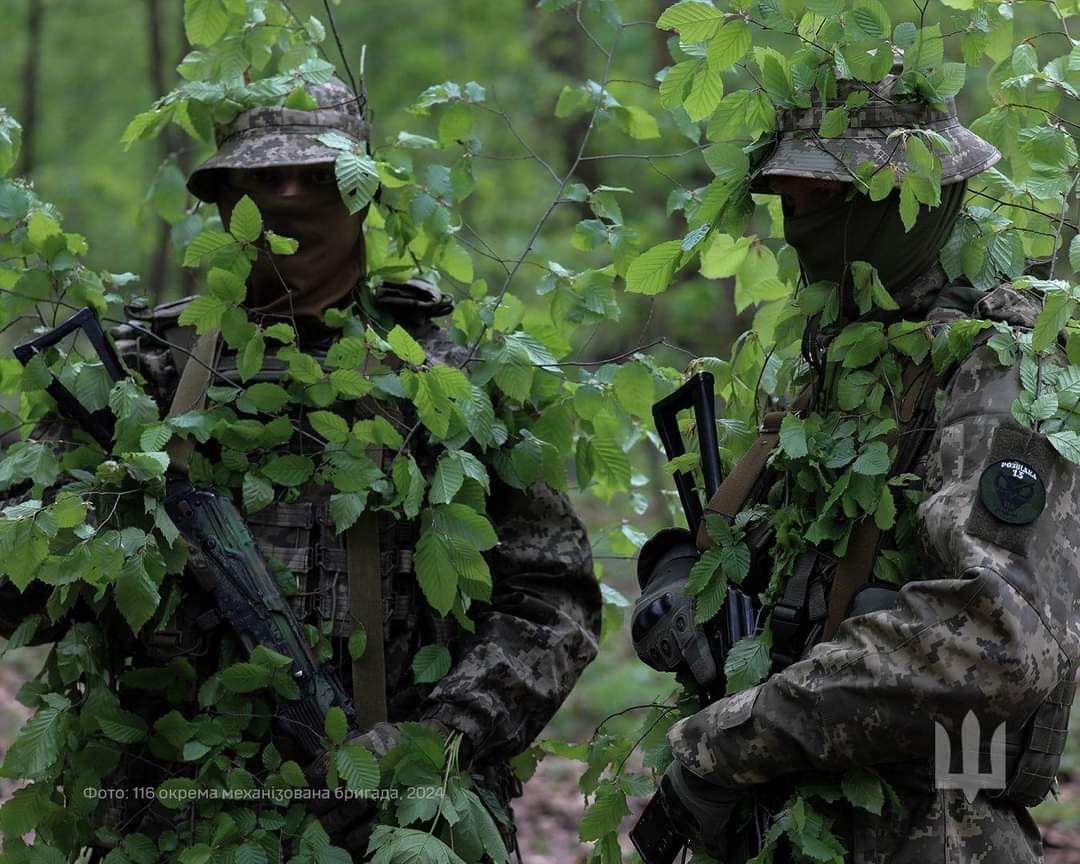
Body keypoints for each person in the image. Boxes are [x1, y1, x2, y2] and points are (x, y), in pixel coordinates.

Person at [0, 78, 602, 859]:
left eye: (320, 178)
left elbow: (552, 599)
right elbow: (18, 576)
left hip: (394, 823)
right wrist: (96, 515)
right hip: (173, 819)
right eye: (265, 178)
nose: (290, 197)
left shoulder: (449, 377)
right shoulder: (145, 375)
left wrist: (433, 744)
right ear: (226, 197)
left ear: (362, 196)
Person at [632, 61, 1080, 863]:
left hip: (931, 832)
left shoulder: (999, 370)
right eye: (787, 193)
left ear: (916, 194)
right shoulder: (845, 359)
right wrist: (691, 589)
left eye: (827, 192)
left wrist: (737, 737)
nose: (796, 214)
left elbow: (997, 640)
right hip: (784, 822)